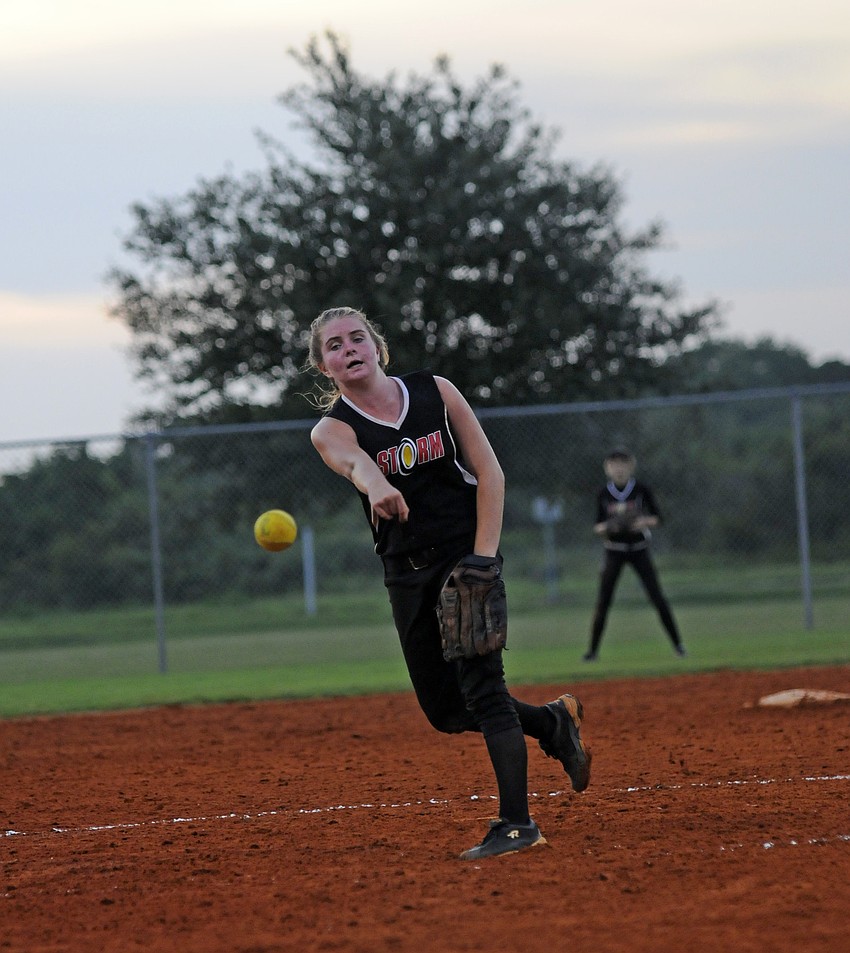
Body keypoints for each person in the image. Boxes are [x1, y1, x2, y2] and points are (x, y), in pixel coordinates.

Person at [306, 306, 591, 860]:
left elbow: (490, 472)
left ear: (377, 347)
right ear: (325, 368)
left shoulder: (435, 391)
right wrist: (375, 483)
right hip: (407, 573)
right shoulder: (331, 429)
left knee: (484, 689)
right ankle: (553, 723)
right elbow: (351, 463)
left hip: (464, 557)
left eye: (357, 338)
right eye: (335, 346)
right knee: (445, 711)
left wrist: (484, 559)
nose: (349, 349)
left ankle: (518, 824)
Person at [584, 448, 685, 662]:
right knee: (603, 601)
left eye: (623, 464)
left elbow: (658, 518)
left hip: (639, 549)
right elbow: (597, 525)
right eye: (614, 464)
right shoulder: (603, 493)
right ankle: (592, 652)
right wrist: (610, 526)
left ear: (631, 466)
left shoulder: (640, 490)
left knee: (657, 597)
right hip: (614, 550)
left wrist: (642, 522)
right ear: (607, 468)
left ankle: (679, 645)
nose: (619, 468)